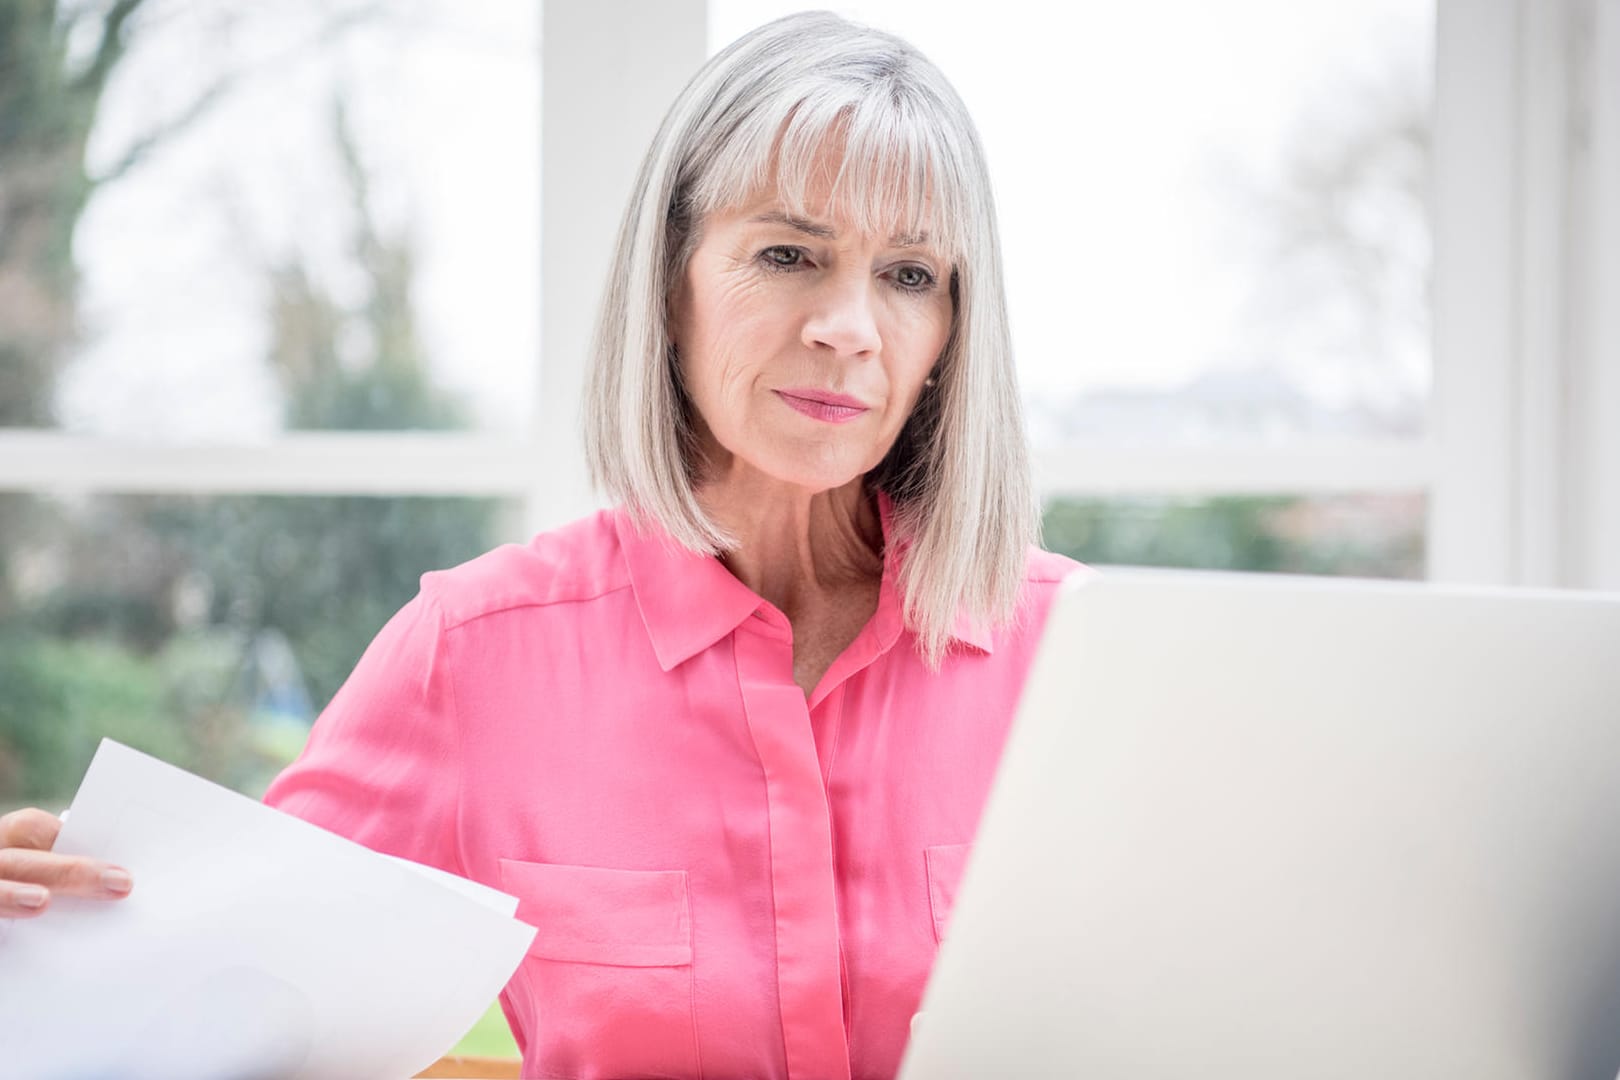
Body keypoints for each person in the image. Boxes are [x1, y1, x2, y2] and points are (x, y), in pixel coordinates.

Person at [0, 12, 1086, 1079]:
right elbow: (208, 1004)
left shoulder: (1085, 661)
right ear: (670, 288)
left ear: (953, 330)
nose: (849, 324)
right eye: (789, 253)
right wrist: (35, 927)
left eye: (909, 275)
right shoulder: (471, 650)